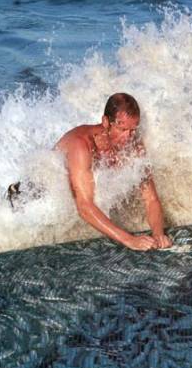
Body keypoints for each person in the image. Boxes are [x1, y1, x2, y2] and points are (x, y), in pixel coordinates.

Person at [55, 93, 172, 251]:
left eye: (132, 130)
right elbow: (84, 207)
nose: (127, 137)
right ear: (105, 122)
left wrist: (158, 234)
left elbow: (151, 199)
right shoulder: (81, 145)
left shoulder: (133, 144)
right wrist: (129, 240)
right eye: (122, 129)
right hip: (37, 193)